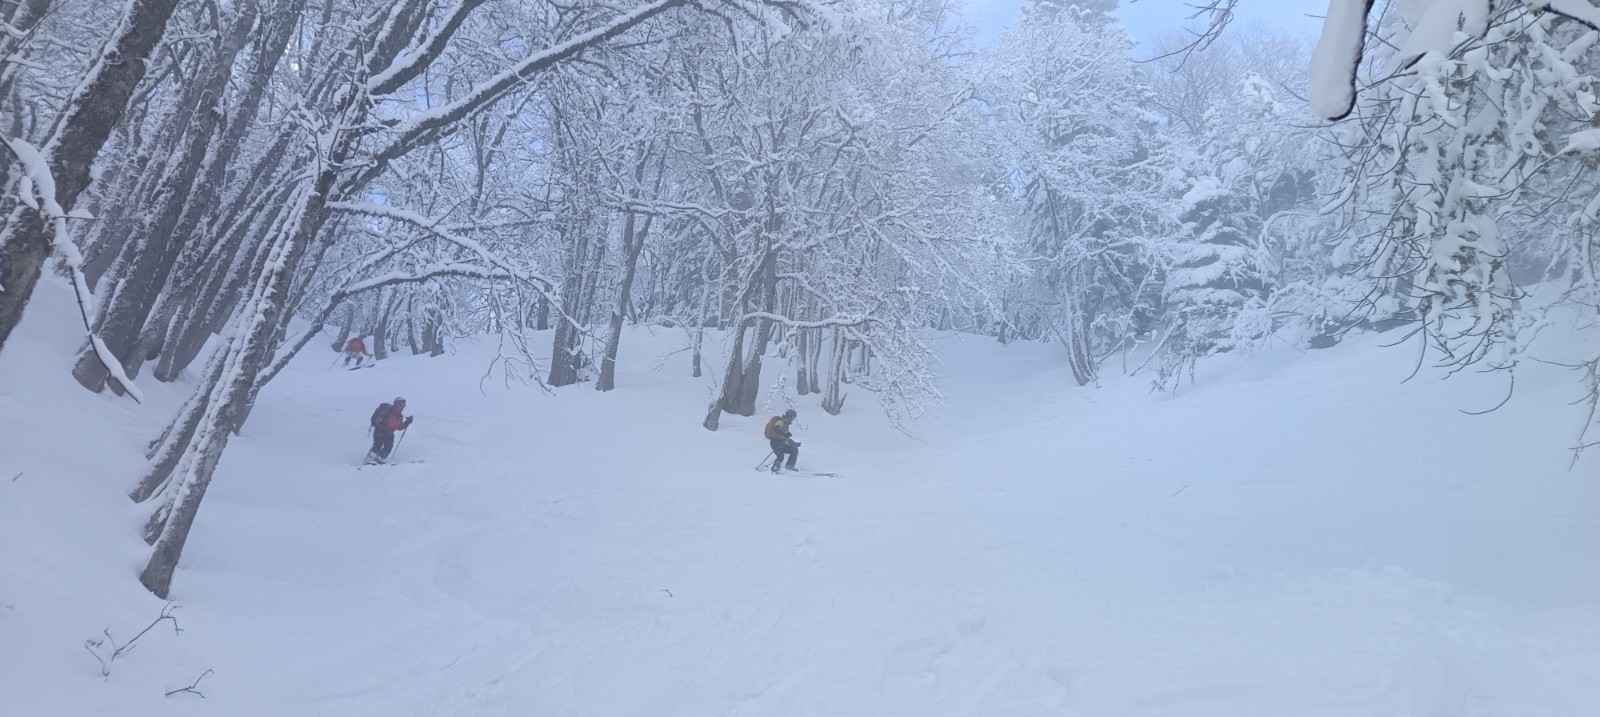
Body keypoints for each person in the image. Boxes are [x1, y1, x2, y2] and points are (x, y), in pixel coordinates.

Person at [366, 397, 413, 464]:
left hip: (390, 433)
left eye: (404, 404)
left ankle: (379, 459)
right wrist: (381, 423)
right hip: (381, 430)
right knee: (378, 444)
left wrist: (407, 422)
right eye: (402, 404)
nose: (403, 406)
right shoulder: (389, 409)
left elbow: (399, 427)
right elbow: (379, 418)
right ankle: (370, 459)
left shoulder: (400, 415)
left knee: (389, 447)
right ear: (397, 403)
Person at [763, 409, 800, 473]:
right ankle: (775, 469)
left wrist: (793, 443)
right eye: (792, 418)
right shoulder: (780, 421)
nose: (792, 420)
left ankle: (789, 466)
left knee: (794, 449)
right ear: (788, 416)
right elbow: (776, 429)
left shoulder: (785, 424)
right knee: (780, 456)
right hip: (775, 442)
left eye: (793, 418)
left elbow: (785, 438)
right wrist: (785, 434)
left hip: (781, 443)